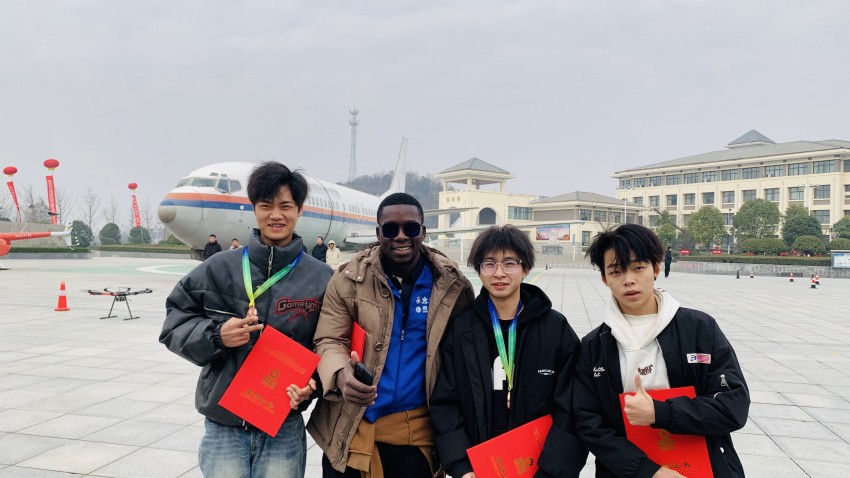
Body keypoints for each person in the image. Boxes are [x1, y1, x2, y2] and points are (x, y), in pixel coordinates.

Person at [159, 162, 334, 478]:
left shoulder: (322, 278)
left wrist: (314, 384)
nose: (276, 215)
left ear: (299, 210)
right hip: (224, 425)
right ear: (254, 209)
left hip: (282, 425)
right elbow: (175, 322)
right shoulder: (218, 267)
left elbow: (332, 344)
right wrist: (216, 335)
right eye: (266, 206)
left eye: (285, 206)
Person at [304, 192, 475, 478]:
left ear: (423, 232)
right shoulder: (348, 280)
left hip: (416, 436)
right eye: (391, 229)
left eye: (410, 228)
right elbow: (329, 340)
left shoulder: (452, 286)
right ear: (378, 233)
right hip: (350, 428)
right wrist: (340, 374)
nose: (401, 236)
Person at [576, 224, 749, 478]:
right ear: (604, 279)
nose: (628, 280)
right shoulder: (593, 346)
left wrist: (660, 412)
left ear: (656, 269)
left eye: (638, 268)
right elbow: (588, 422)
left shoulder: (700, 329)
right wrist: (647, 471)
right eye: (616, 271)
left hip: (702, 468)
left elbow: (734, 405)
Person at [430, 225, 587, 478]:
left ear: (526, 269)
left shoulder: (555, 328)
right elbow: (446, 402)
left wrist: (550, 472)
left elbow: (571, 407)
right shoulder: (462, 329)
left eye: (509, 263)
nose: (499, 273)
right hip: (479, 466)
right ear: (478, 270)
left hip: (539, 467)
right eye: (489, 263)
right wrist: (462, 467)